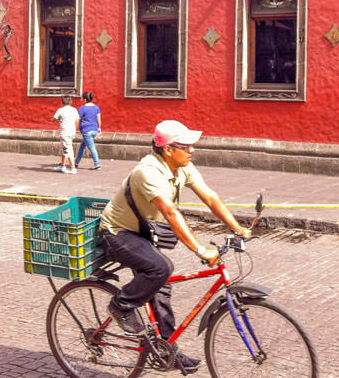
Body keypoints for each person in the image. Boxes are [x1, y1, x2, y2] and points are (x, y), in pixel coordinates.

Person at [98, 119, 252, 376]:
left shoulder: (182, 166)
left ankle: (167, 350)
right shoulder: (148, 172)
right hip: (117, 233)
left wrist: (237, 228)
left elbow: (210, 197)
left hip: (142, 232)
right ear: (168, 149)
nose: (192, 150)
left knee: (161, 286)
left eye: (192, 146)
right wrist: (201, 250)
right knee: (160, 268)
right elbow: (170, 213)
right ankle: (121, 306)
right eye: (186, 146)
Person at [53, 95, 79, 174]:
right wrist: (75, 128)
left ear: (62, 102)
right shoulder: (74, 110)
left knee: (68, 150)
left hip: (64, 132)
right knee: (65, 148)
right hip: (72, 131)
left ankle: (73, 167)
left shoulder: (60, 110)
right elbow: (77, 120)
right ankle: (63, 165)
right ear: (71, 102)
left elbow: (53, 119)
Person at [75, 91, 102, 170]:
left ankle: (97, 163)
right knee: (82, 146)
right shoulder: (96, 107)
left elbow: (77, 119)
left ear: (85, 100)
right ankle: (76, 162)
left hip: (86, 130)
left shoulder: (82, 108)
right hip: (94, 129)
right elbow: (99, 119)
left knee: (91, 147)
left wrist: (75, 128)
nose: (81, 100)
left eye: (82, 98)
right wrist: (99, 128)